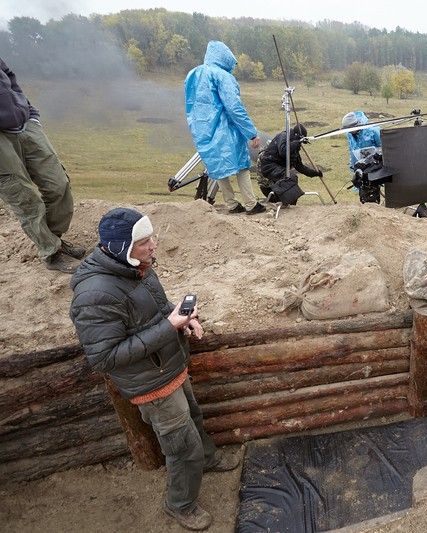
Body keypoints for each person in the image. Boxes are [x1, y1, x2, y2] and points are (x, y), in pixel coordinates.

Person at [69, 207, 239, 531]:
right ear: (121, 247)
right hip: (152, 385)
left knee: (195, 418)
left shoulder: (138, 268)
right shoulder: (94, 295)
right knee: (181, 446)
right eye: (144, 241)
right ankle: (181, 505)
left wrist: (185, 322)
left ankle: (209, 459)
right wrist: (168, 327)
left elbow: (160, 310)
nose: (154, 246)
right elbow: (103, 358)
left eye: (150, 239)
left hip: (170, 367)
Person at [0, 57, 85, 273]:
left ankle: (54, 238)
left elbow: (9, 75)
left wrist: (29, 112)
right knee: (24, 197)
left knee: (58, 183)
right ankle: (51, 252)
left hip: (24, 123)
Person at [185, 41, 265, 216]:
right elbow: (234, 107)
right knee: (242, 165)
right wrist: (251, 133)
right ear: (225, 57)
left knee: (217, 166)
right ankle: (251, 204)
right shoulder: (222, 76)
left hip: (201, 129)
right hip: (224, 128)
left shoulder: (193, 74)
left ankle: (231, 204)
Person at [257, 123, 322, 205]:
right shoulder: (284, 136)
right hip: (269, 168)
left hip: (277, 173)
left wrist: (315, 173)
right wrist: (297, 142)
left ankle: (289, 203)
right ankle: (285, 201)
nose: (301, 144)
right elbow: (283, 151)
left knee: (291, 177)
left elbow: (300, 167)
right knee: (290, 177)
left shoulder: (294, 148)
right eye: (301, 142)